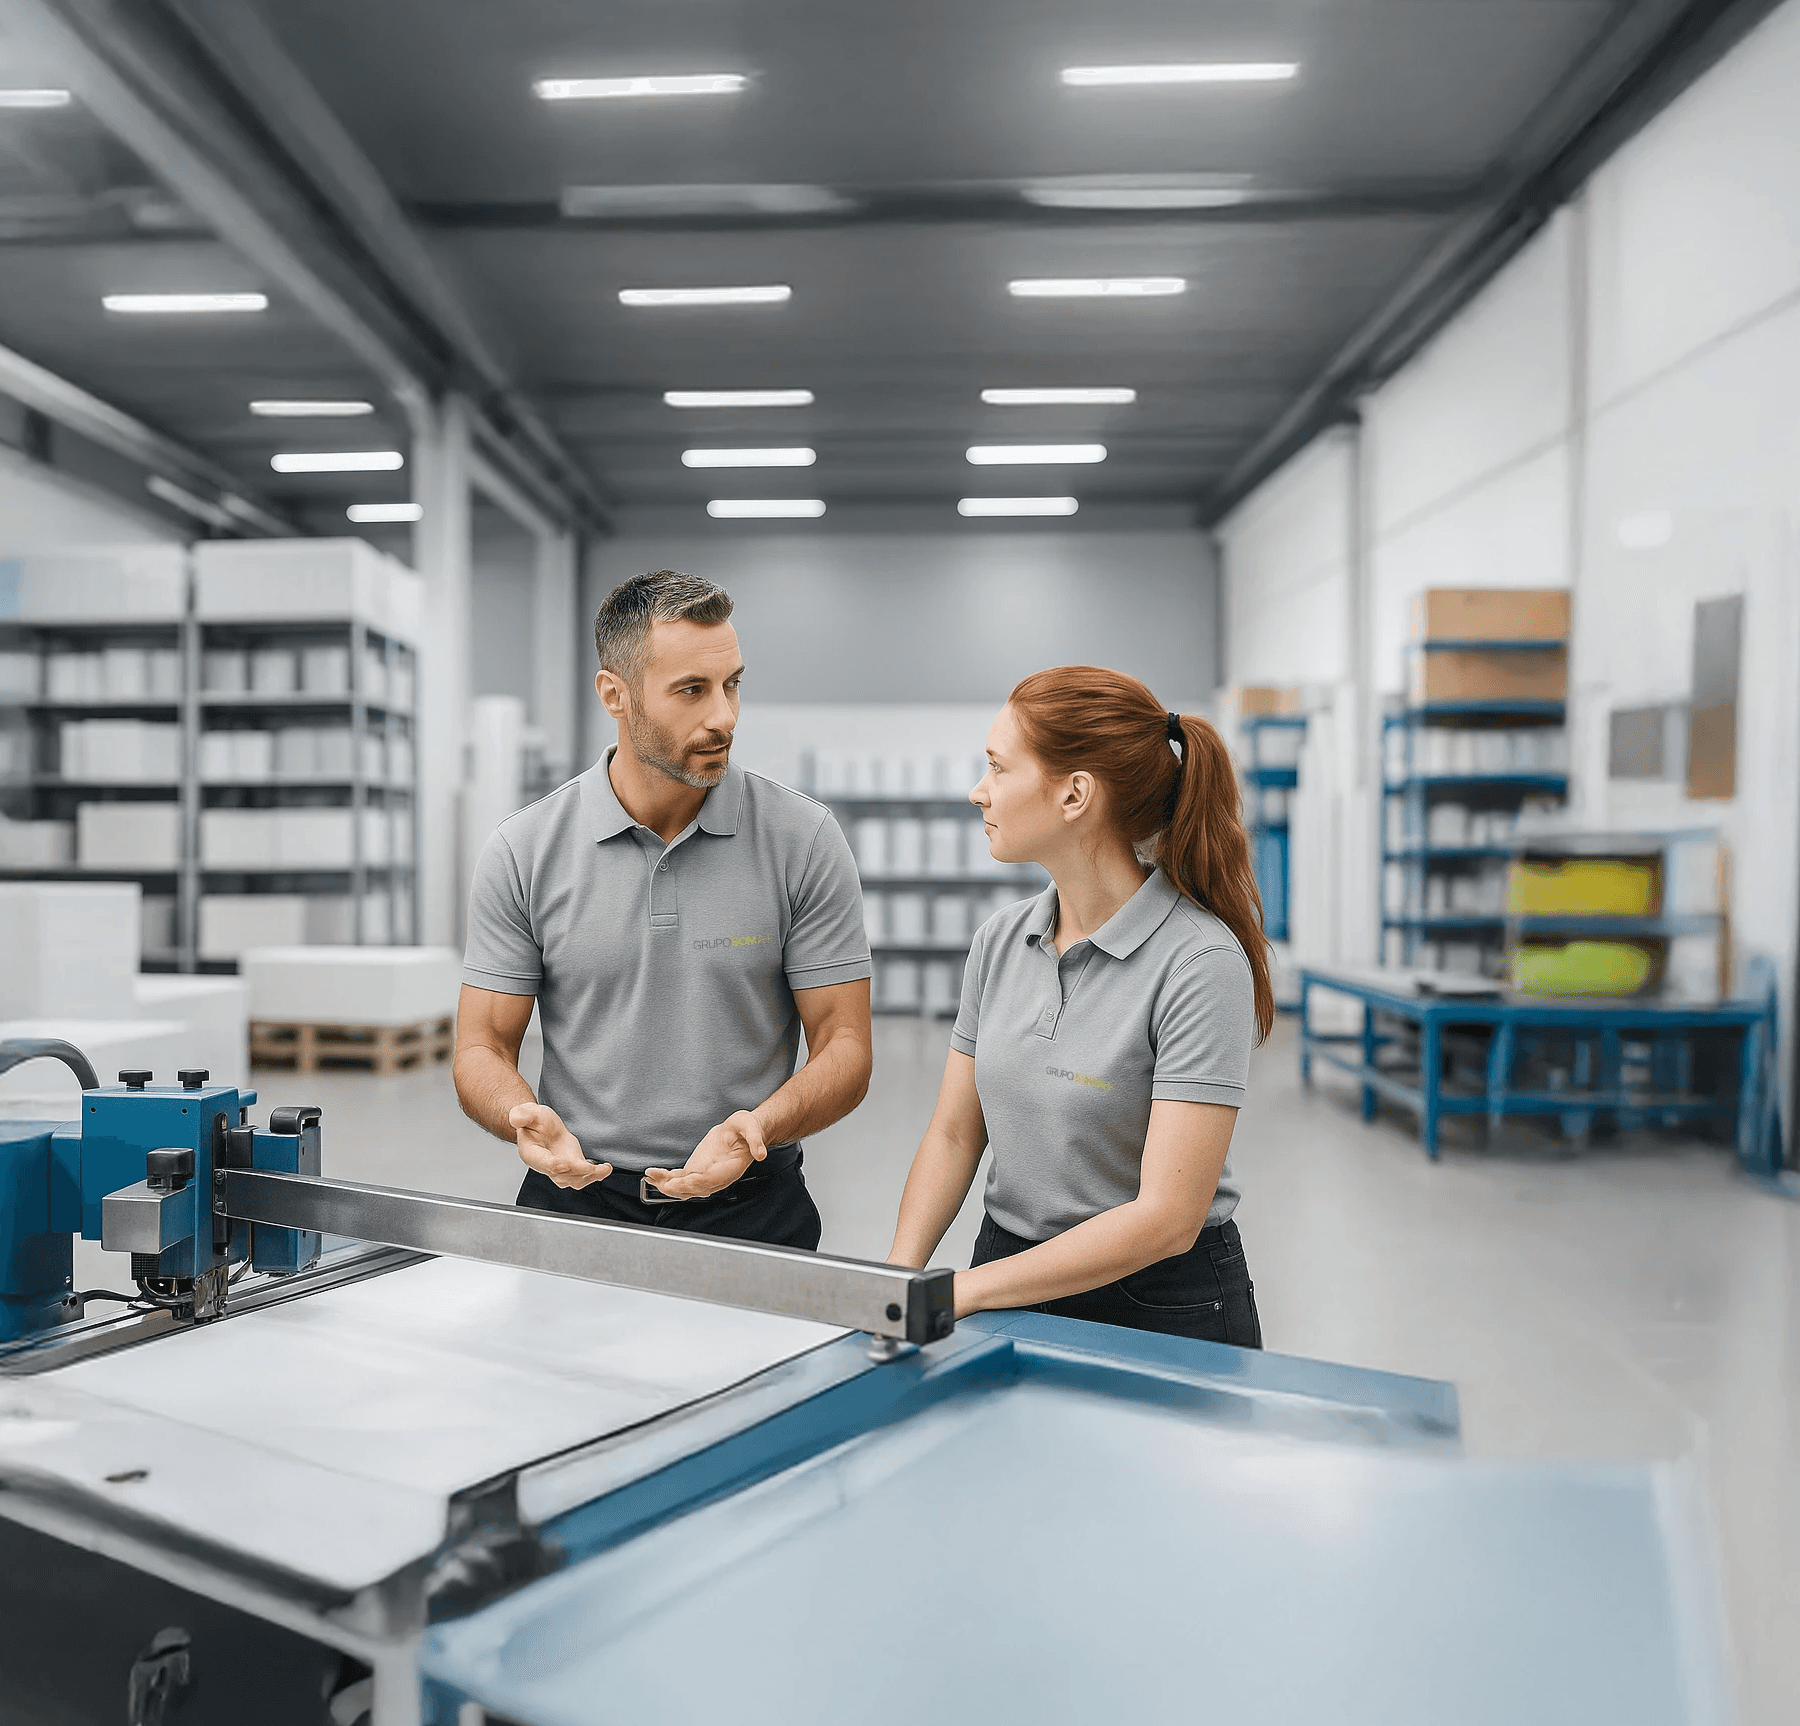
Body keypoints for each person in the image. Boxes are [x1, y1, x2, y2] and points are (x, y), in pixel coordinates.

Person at [453, 569, 873, 1249]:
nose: (725, 717)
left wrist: (758, 1127)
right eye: (691, 692)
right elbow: (481, 1046)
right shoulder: (524, 850)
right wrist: (520, 1115)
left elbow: (845, 1047)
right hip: (576, 1208)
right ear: (614, 695)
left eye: (732, 684)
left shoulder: (804, 840)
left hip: (755, 1208)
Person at [887, 666, 1272, 1342]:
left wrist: (966, 1290)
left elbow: (1166, 1218)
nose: (979, 792)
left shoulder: (1198, 962)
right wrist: (896, 1279)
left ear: (1074, 796)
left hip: (1157, 1302)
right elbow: (954, 1134)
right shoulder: (1001, 940)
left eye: (999, 769)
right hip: (1007, 1271)